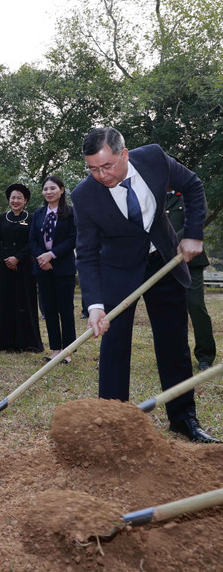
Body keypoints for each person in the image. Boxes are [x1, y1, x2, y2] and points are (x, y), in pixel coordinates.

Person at [72, 126, 218, 443]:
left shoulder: (152, 158)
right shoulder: (84, 195)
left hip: (164, 261)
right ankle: (114, 425)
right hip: (118, 271)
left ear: (124, 154)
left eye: (107, 166)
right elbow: (86, 251)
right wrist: (95, 305)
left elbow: (192, 186)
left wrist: (193, 234)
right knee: (114, 347)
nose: (101, 175)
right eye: (93, 169)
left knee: (173, 344)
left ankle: (183, 420)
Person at [166, 189, 216, 372]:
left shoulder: (188, 194)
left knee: (195, 306)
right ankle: (173, 355)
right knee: (168, 311)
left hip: (189, 261)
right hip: (164, 262)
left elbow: (194, 222)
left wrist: (169, 243)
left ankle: (205, 356)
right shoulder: (157, 196)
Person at [30, 176, 77, 363]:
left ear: (62, 190)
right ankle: (55, 349)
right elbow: (32, 240)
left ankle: (68, 350)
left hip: (63, 267)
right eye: (45, 189)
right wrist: (42, 257)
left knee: (65, 309)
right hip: (42, 268)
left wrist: (52, 255)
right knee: (48, 309)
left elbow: (73, 239)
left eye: (53, 188)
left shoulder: (71, 213)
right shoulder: (38, 214)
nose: (49, 192)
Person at [0, 184, 43, 353]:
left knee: (25, 303)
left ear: (25, 200)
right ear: (9, 199)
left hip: (25, 267)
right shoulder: (1, 218)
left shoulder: (32, 217)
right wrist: (7, 257)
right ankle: (4, 343)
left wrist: (18, 258)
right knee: (6, 303)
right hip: (6, 267)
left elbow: (33, 241)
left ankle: (28, 342)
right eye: (13, 197)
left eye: (19, 198)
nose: (15, 201)